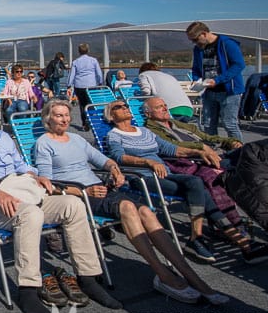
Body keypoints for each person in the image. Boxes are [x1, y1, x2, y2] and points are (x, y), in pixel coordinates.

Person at [35, 99, 229, 304]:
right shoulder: (44, 143)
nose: (65, 119)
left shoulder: (76, 139)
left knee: (146, 211)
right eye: (58, 115)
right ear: (48, 119)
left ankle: (192, 277)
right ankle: (163, 275)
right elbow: (49, 184)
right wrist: (84, 190)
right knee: (128, 207)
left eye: (66, 115)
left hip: (102, 189)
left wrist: (114, 170)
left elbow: (105, 160)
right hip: (80, 195)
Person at [0, 96, 121, 313]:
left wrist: (37, 175)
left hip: (22, 192)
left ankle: (88, 276)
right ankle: (29, 290)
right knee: (31, 214)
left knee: (73, 205)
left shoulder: (4, 138)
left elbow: (21, 166)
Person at [105, 100, 247, 263]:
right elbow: (118, 156)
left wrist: (197, 151)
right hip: (142, 177)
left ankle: (209, 238)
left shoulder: (144, 131)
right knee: (196, 185)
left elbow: (171, 149)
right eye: (118, 107)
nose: (124, 108)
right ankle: (229, 239)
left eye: (125, 106)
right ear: (111, 116)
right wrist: (149, 162)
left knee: (197, 186)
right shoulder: (114, 135)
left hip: (165, 174)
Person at [142, 97, 268, 264]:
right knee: (238, 169)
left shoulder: (180, 124)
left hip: (217, 155)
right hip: (200, 161)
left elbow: (206, 136)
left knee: (257, 149)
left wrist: (230, 142)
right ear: (148, 114)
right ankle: (243, 225)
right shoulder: (149, 131)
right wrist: (202, 149)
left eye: (165, 105)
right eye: (159, 107)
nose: (165, 108)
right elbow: (171, 147)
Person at [186, 21, 245, 140]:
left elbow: (238, 65)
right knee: (208, 124)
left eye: (195, 39)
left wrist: (218, 80)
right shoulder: (198, 49)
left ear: (204, 34)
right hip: (208, 91)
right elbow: (196, 68)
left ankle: (238, 152)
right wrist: (197, 80)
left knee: (229, 124)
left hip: (229, 91)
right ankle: (212, 151)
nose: (194, 43)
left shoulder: (227, 44)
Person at [67, 43, 103, 131]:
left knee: (82, 105)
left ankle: (84, 123)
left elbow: (72, 75)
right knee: (91, 104)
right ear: (88, 50)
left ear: (79, 51)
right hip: (91, 85)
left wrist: (69, 85)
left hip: (79, 85)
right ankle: (91, 120)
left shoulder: (75, 62)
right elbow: (99, 73)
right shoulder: (93, 60)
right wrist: (100, 82)